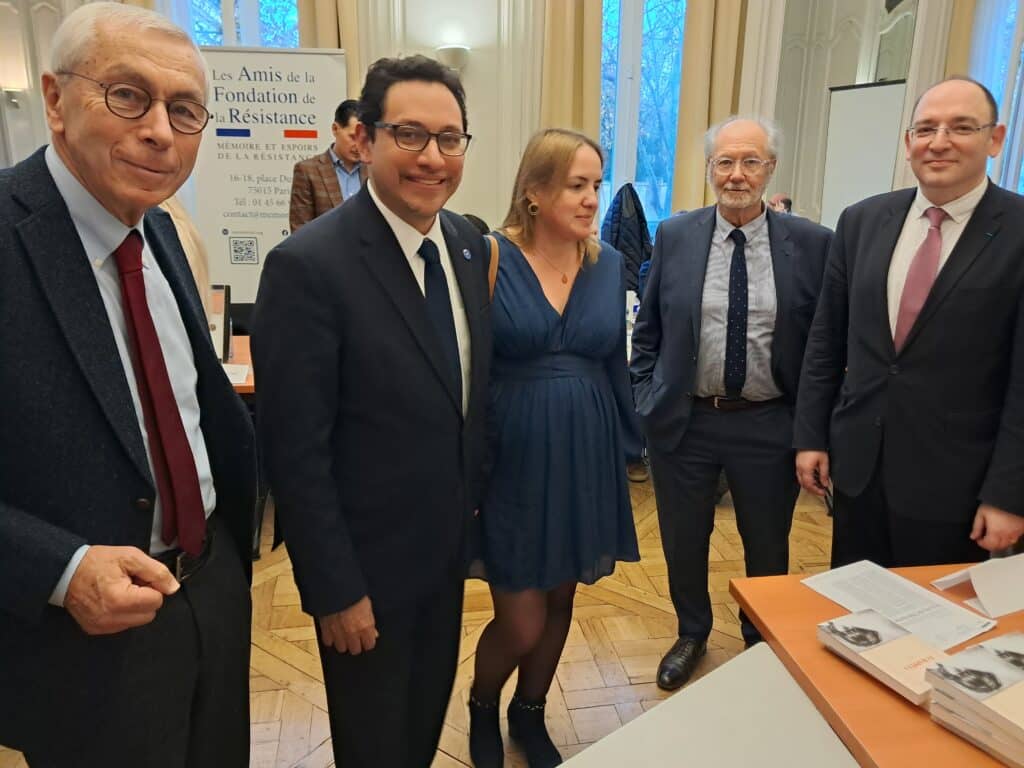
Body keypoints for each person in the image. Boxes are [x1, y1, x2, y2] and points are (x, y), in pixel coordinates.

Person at [0, 4, 257, 765]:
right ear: (55, 99)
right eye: (128, 96)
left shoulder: (162, 229)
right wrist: (60, 569)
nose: (160, 132)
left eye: (184, 110)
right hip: (79, 639)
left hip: (210, 592)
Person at [252, 56, 491, 768]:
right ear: (364, 137)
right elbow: (295, 450)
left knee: (420, 731)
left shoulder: (467, 244)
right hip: (365, 579)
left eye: (450, 139)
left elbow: (463, 401)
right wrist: (335, 590)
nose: (432, 158)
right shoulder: (307, 266)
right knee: (374, 747)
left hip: (445, 560)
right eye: (409, 134)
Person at [630, 117, 832, 691]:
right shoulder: (676, 235)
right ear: (710, 169)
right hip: (686, 422)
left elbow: (823, 344)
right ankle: (691, 631)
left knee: (767, 542)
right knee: (683, 539)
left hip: (770, 423)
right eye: (725, 162)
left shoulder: (812, 244)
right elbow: (648, 329)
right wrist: (647, 398)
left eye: (750, 162)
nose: (736, 174)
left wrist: (810, 430)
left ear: (771, 169)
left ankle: (758, 637)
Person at [794, 77, 1024, 567]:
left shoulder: (1018, 231)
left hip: (959, 486)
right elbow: (826, 342)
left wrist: (1009, 493)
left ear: (995, 139)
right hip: (859, 471)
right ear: (908, 142)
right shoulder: (861, 221)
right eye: (926, 129)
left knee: (937, 613)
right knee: (852, 602)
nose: (939, 142)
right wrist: (811, 436)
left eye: (961, 127)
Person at [468, 129, 641, 768]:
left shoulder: (608, 264)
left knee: (563, 597)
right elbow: (470, 370)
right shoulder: (490, 256)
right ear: (534, 192)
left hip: (585, 451)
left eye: (596, 183)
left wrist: (627, 445)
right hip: (511, 458)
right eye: (576, 185)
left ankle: (529, 710)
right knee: (521, 618)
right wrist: (466, 471)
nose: (593, 198)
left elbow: (614, 363)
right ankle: (482, 701)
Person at [288, 98, 367, 231]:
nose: (358, 145)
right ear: (335, 129)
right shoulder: (308, 171)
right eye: (353, 137)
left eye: (363, 138)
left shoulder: (374, 169)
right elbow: (300, 232)